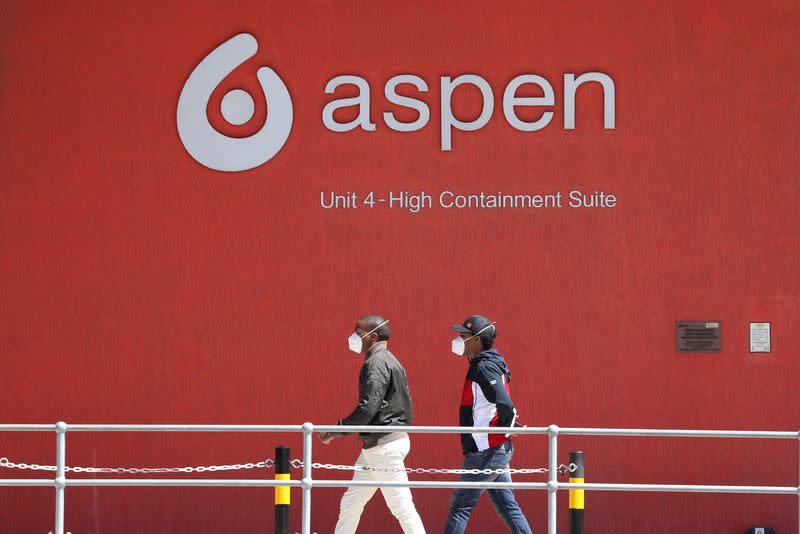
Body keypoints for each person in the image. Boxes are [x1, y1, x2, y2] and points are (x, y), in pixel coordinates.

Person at [319, 314, 426, 534]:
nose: (353, 338)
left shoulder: (375, 364)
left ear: (372, 336)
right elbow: (408, 407)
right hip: (380, 445)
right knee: (351, 503)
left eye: (358, 334)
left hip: (382, 447)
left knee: (401, 507)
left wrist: (335, 431)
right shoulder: (391, 360)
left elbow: (367, 409)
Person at [443, 315, 532, 534]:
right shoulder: (485, 364)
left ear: (477, 340)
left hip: (487, 451)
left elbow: (505, 404)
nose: (458, 340)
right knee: (508, 507)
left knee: (459, 507)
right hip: (494, 449)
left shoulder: (484, 367)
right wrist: (508, 426)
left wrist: (508, 425)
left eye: (463, 336)